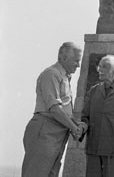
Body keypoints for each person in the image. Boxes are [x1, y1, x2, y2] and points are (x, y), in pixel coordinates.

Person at [22, 42, 87, 177]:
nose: (78, 65)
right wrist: (74, 129)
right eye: (76, 60)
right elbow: (55, 109)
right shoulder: (51, 74)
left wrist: (76, 124)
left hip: (58, 133)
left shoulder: (65, 78)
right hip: (46, 130)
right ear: (63, 58)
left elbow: (64, 109)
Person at [81, 55, 114, 177]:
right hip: (94, 145)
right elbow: (85, 116)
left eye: (104, 67)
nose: (99, 69)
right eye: (99, 66)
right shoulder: (93, 90)